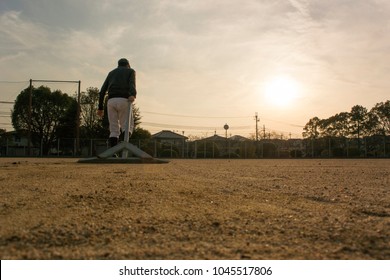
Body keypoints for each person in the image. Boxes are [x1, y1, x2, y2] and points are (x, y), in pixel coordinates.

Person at [97, 58, 137, 147]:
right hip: (124, 100)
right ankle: (123, 147)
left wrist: (100, 108)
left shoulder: (111, 73)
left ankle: (113, 152)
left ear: (118, 65)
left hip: (111, 101)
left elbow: (102, 90)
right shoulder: (130, 71)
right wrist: (132, 94)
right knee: (127, 126)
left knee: (113, 128)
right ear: (128, 64)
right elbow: (132, 83)